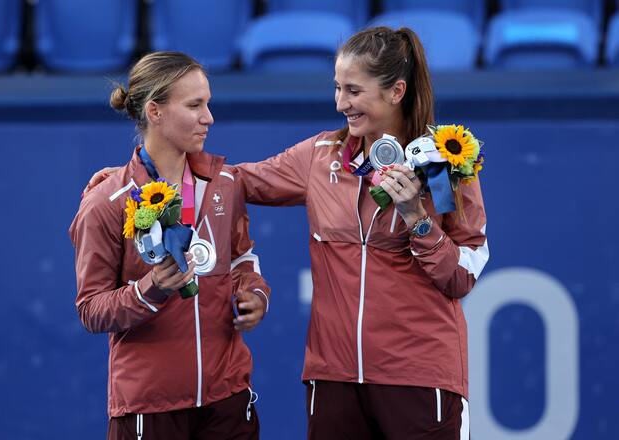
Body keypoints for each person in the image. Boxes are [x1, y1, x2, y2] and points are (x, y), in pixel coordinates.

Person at [86, 27, 488, 439]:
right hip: (335, 377)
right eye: (337, 88)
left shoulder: (445, 165)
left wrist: (417, 219)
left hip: (421, 376)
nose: (340, 103)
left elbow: (461, 277)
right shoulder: (319, 157)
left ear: (395, 91)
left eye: (352, 90)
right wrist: (128, 183)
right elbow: (232, 181)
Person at [69, 51, 270, 440]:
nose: (208, 117)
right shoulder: (106, 202)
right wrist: (151, 289)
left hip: (227, 399)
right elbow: (91, 309)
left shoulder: (225, 184)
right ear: (155, 112)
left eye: (207, 104)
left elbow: (243, 259)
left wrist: (254, 293)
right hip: (150, 408)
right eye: (195, 105)